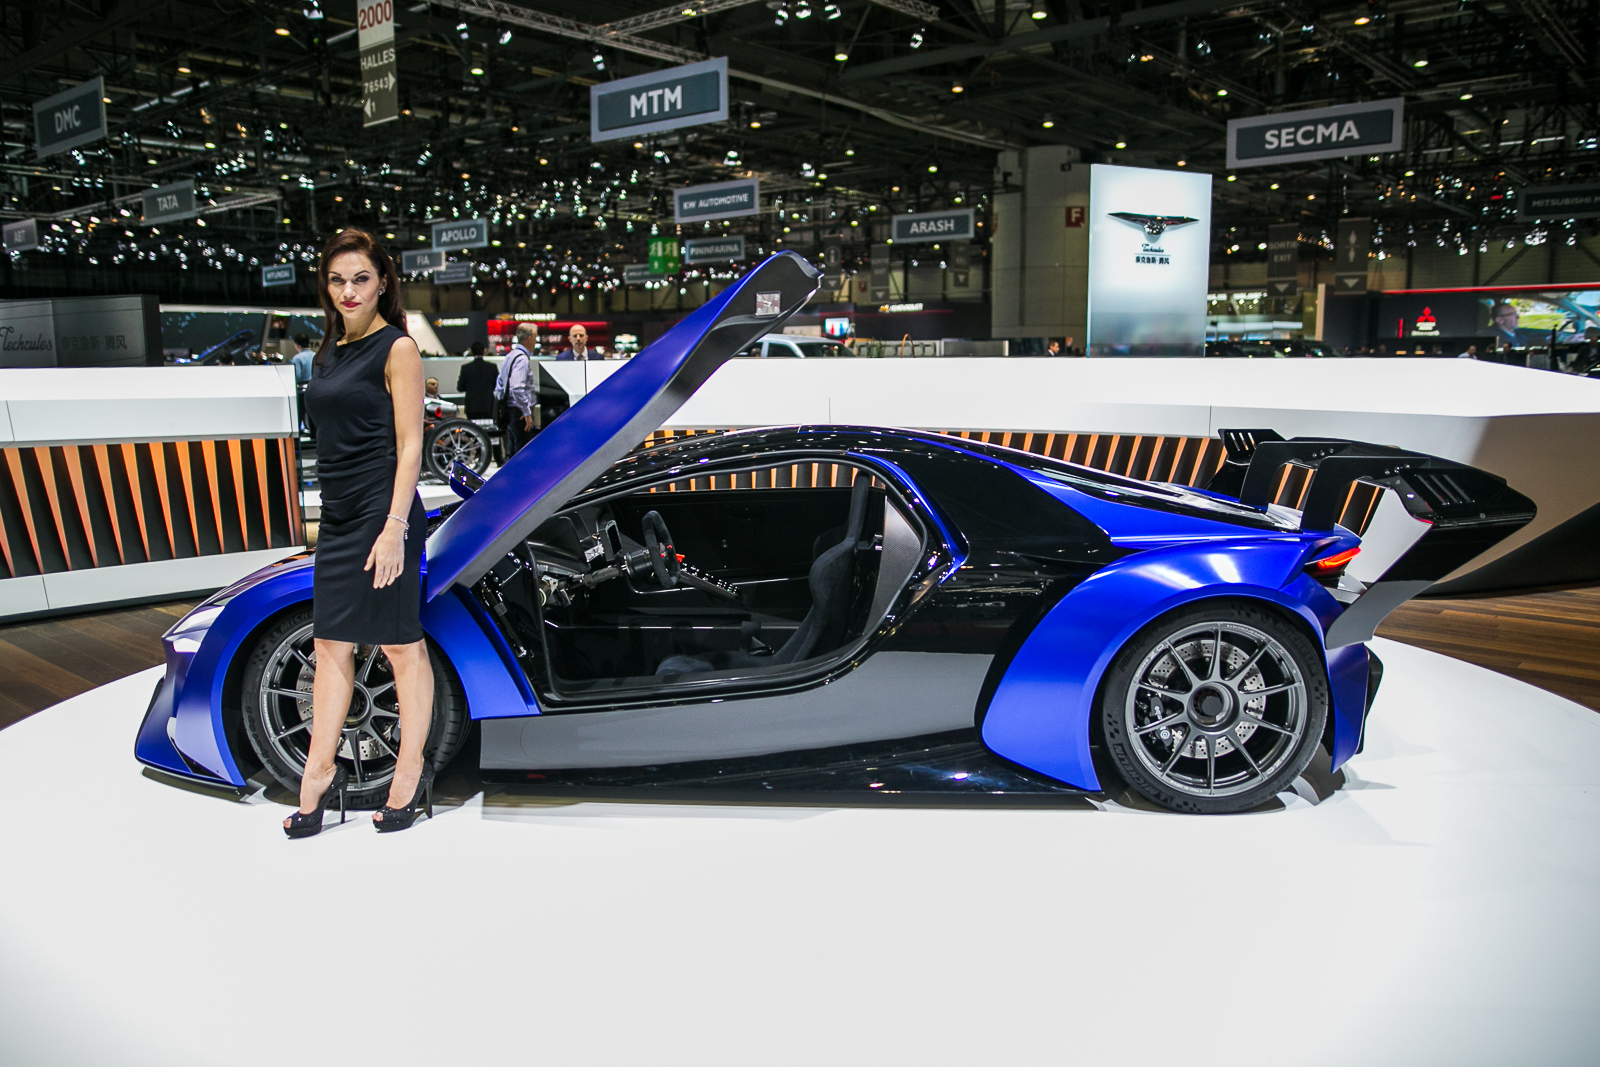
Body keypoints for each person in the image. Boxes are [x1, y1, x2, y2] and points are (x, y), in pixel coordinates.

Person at [291, 228, 434, 838]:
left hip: (384, 512)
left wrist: (395, 527)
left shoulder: (397, 348)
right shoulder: (328, 351)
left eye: (360, 279)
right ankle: (319, 773)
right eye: (337, 280)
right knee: (330, 644)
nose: (348, 291)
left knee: (400, 645)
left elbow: (410, 447)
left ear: (382, 284)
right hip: (340, 516)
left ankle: (409, 774)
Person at [495, 323, 537, 458]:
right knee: (523, 455)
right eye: (535, 338)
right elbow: (517, 387)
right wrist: (526, 412)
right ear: (529, 339)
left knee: (513, 454)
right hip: (520, 415)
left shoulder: (510, 356)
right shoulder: (522, 359)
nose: (536, 341)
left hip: (511, 412)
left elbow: (499, 384)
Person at [456, 340, 498, 419]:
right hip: (488, 405)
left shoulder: (466, 368)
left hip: (472, 406)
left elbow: (460, 388)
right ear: (484, 351)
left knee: (473, 426)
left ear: (471, 352)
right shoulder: (492, 367)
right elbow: (497, 385)